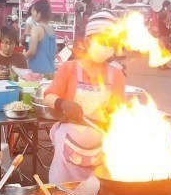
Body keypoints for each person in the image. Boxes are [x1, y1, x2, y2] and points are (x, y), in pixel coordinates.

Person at [43, 11, 126, 184]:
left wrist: (112, 120)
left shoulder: (116, 74)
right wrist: (63, 104)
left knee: (94, 194)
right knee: (64, 192)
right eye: (102, 41)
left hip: (100, 145)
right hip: (69, 141)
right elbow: (49, 96)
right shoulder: (69, 68)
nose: (106, 47)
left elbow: (119, 110)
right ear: (88, 42)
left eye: (111, 42)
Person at [25, 0, 56, 77]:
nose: (32, 13)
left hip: (37, 72)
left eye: (34, 11)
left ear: (39, 13)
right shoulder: (51, 30)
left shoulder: (36, 29)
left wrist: (22, 57)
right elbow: (55, 51)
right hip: (50, 72)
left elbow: (32, 51)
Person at [157, 0, 171, 70]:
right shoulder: (163, 14)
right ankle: (162, 64)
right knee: (163, 49)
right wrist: (169, 19)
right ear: (165, 7)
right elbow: (165, 23)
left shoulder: (165, 13)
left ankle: (164, 64)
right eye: (169, 6)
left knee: (166, 49)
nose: (170, 7)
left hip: (165, 33)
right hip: (163, 34)